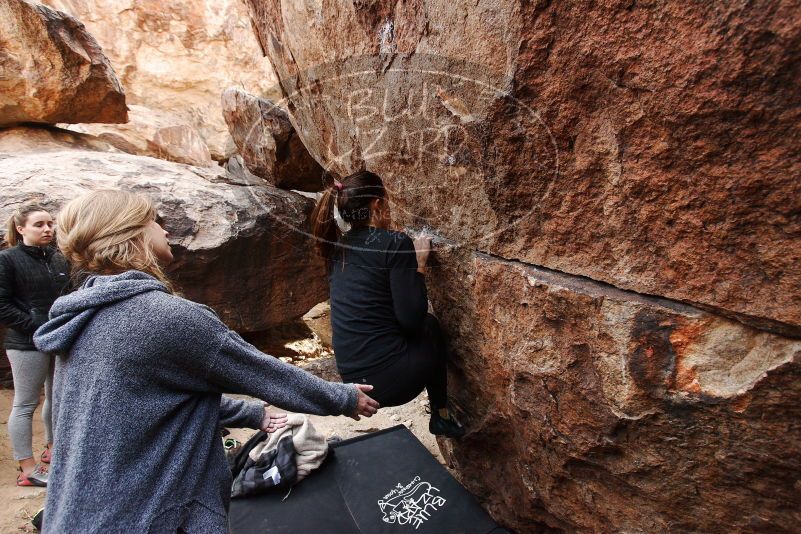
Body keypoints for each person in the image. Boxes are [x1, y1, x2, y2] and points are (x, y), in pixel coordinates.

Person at [32, 189, 379, 533]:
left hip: (78, 516)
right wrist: (344, 397)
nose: (164, 229)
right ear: (131, 233)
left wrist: (252, 414)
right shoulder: (164, 317)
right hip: (150, 517)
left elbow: (146, 401)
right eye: (153, 221)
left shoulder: (84, 317)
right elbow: (262, 372)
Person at [310, 170, 464, 439]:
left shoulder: (336, 248)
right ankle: (441, 415)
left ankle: (440, 416)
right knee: (429, 325)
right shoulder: (394, 243)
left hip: (354, 383)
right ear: (378, 204)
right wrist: (419, 265)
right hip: (391, 383)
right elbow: (412, 320)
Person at [0, 204, 70, 487]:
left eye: (50, 224)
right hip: (26, 343)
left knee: (56, 397)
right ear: (21, 228)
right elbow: (2, 305)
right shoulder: (7, 259)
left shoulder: (59, 258)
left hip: (59, 338)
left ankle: (53, 450)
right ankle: (28, 469)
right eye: (39, 224)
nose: (47, 229)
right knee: (25, 403)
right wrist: (37, 327)